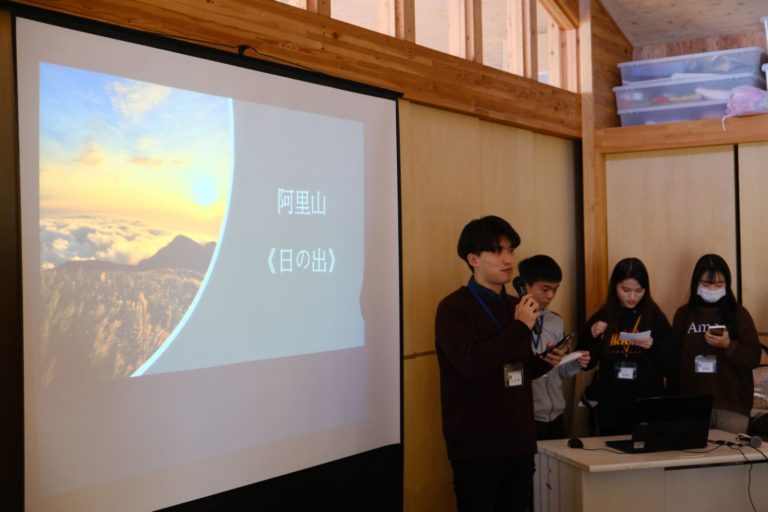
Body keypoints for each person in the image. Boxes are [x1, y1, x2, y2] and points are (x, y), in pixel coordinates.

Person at [435, 215, 564, 512]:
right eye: (497, 251)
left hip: (518, 439)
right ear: (473, 259)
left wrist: (545, 361)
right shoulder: (453, 308)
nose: (508, 259)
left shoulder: (514, 306)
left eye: (510, 250)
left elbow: (516, 368)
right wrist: (519, 328)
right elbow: (471, 363)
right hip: (476, 444)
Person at [577, 257, 679, 435]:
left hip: (647, 406)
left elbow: (673, 366)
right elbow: (586, 363)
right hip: (612, 408)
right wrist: (592, 336)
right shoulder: (603, 315)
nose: (632, 297)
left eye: (638, 291)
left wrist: (653, 345)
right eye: (625, 290)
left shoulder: (655, 317)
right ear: (614, 287)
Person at [669, 254, 761, 434]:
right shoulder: (683, 315)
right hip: (690, 405)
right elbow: (674, 361)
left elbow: (753, 358)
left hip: (731, 405)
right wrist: (673, 402)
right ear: (696, 283)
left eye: (718, 285)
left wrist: (729, 345)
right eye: (706, 284)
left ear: (727, 284)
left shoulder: (739, 314)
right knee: (692, 459)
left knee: (731, 460)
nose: (712, 289)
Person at [518, 255, 590, 440]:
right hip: (526, 416)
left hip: (556, 414)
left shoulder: (555, 320)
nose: (550, 295)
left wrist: (575, 361)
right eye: (545, 289)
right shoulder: (513, 321)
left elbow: (562, 372)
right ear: (524, 286)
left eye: (555, 289)